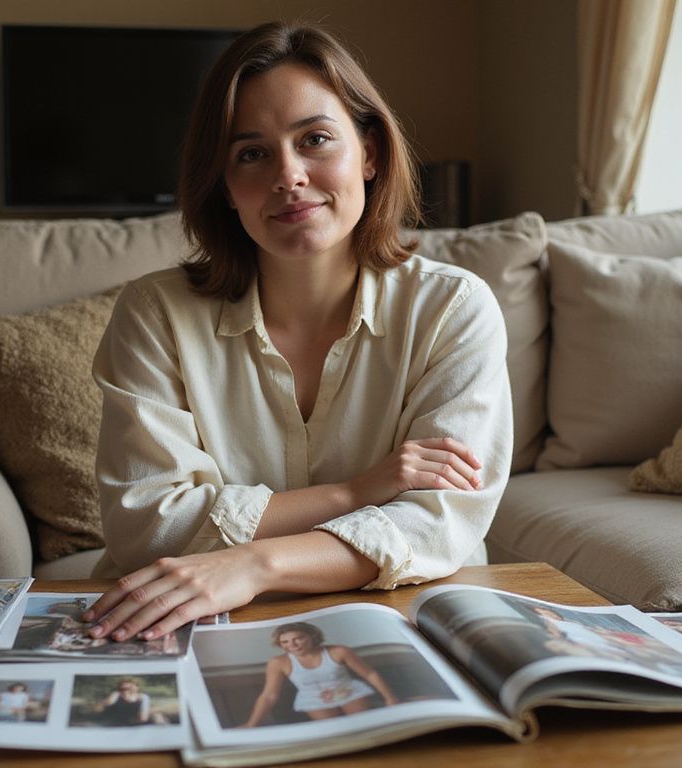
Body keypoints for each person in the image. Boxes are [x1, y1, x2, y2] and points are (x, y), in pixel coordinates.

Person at [83, 21, 511, 644]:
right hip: (188, 621)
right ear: (225, 187)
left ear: (369, 153)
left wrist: (254, 564)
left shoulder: (454, 307)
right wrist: (357, 493)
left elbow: (437, 526)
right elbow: (148, 525)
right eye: (251, 153)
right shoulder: (154, 313)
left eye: (314, 139)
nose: (289, 176)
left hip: (407, 617)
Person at [241, 622, 399, 727]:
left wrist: (391, 698)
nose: (293, 645)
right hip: (312, 698)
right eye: (285, 642)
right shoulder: (278, 662)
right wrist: (251, 724)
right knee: (336, 730)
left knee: (363, 725)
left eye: (298, 638)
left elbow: (370, 674)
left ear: (312, 636)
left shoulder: (338, 651)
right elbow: (269, 696)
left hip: (349, 690)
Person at [97, 678, 165, 726]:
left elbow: (143, 718)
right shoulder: (116, 696)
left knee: (158, 716)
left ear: (135, 688)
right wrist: (111, 699)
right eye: (122, 689)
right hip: (118, 722)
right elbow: (101, 708)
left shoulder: (142, 697)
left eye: (129, 689)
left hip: (136, 721)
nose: (125, 691)